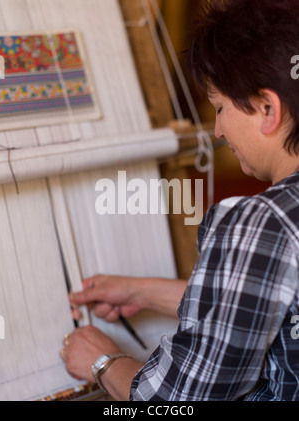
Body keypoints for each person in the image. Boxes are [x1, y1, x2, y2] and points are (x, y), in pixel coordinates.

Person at [60, 0, 299, 401]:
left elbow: (178, 399)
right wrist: (144, 292)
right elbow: (266, 301)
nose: (219, 130)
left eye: (220, 107)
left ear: (266, 107)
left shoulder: (263, 222)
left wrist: (102, 362)